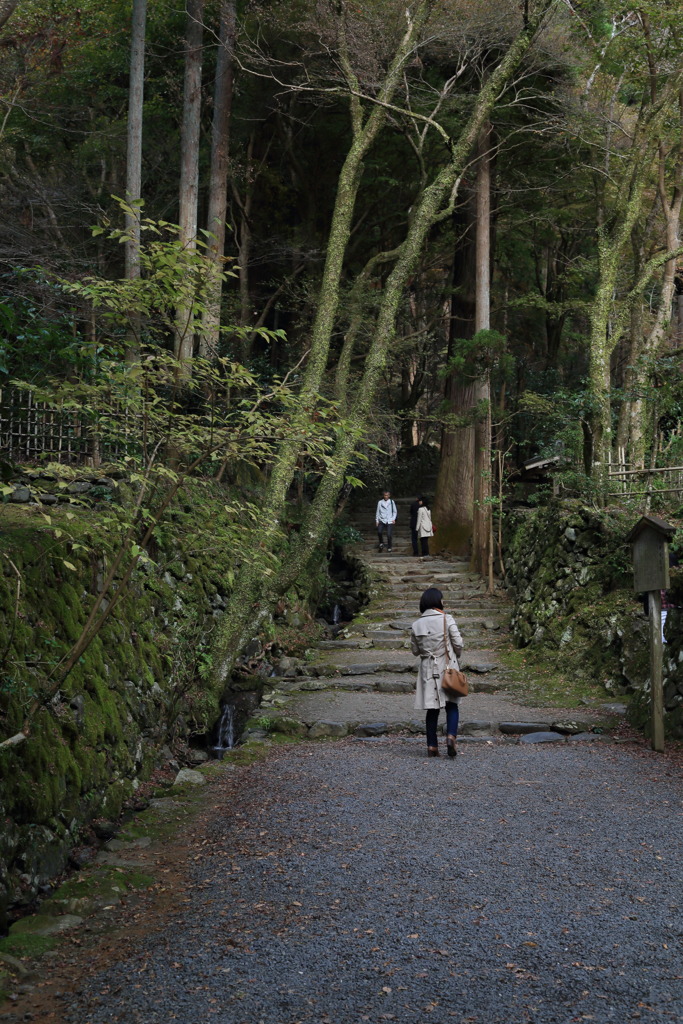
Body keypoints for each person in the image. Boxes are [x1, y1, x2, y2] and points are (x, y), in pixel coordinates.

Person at [411, 587, 464, 758]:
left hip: (428, 668)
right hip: (447, 666)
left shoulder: (416, 624)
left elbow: (414, 650)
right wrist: (455, 654)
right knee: (452, 704)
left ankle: (432, 746)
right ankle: (451, 736)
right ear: (438, 601)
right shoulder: (446, 619)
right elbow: (458, 643)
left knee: (432, 709)